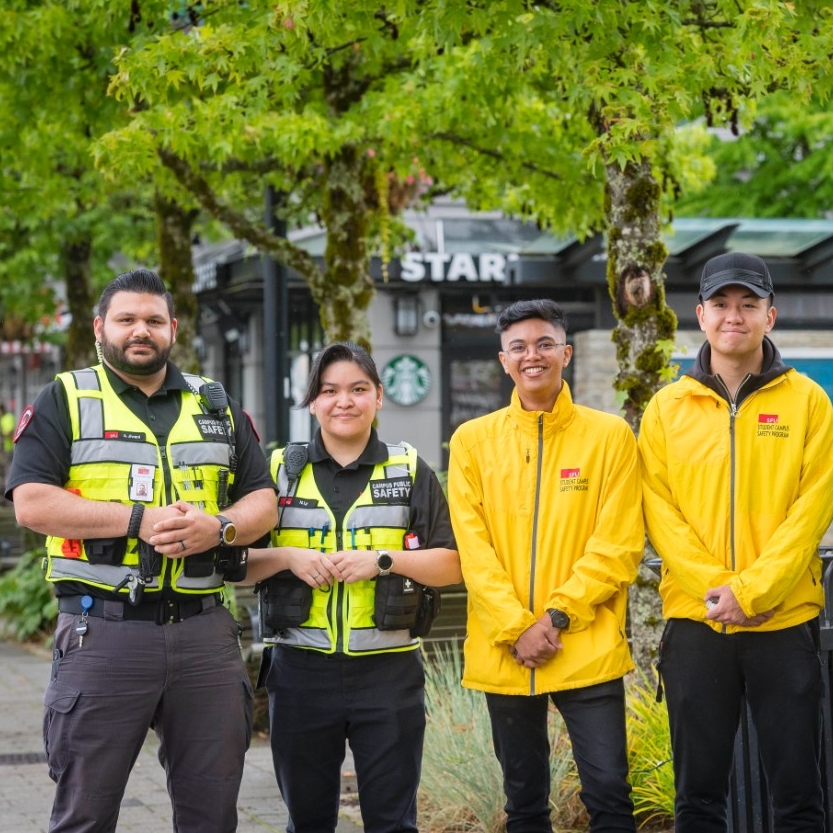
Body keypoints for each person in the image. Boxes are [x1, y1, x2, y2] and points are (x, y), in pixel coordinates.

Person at [4, 268, 277, 833]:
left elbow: (263, 500)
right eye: (127, 319)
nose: (141, 331)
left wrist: (220, 528)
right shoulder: (66, 397)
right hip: (102, 634)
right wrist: (139, 520)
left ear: (173, 328)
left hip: (205, 635)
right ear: (100, 327)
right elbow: (31, 502)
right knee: (86, 813)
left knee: (212, 815)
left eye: (154, 320)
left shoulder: (216, 404)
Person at [638, 252, 833, 832]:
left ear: (771, 316)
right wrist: (719, 591)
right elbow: (660, 514)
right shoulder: (666, 409)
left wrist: (754, 590)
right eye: (722, 304)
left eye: (749, 304)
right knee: (697, 801)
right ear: (700, 315)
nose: (735, 316)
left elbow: (813, 508)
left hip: (783, 623)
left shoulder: (809, 403)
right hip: (697, 626)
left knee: (799, 797)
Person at [243, 341, 460, 833]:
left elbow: (451, 565)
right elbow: (234, 564)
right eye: (330, 390)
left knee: (392, 821)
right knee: (309, 820)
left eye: (358, 389)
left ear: (379, 397)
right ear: (313, 401)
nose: (345, 401)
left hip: (388, 674)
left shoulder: (408, 472)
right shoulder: (277, 472)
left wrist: (383, 561)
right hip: (300, 673)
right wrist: (288, 558)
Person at [447, 298, 644, 832]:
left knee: (609, 792)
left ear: (567, 353)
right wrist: (516, 628)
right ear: (503, 361)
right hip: (505, 650)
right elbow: (474, 547)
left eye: (543, 344)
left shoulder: (611, 437)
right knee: (524, 803)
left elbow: (619, 543)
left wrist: (555, 618)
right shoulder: (472, 441)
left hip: (587, 643)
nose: (531, 355)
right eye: (518, 347)